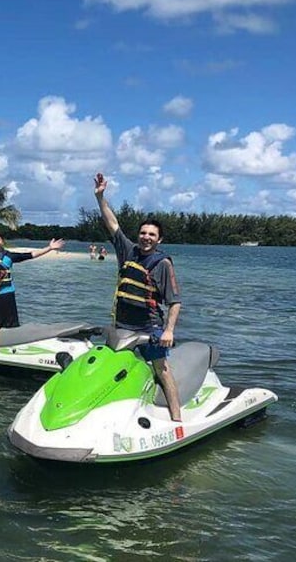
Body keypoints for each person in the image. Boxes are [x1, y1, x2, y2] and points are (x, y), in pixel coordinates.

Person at [94, 172, 183, 422]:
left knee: (161, 369)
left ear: (159, 239)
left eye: (152, 235)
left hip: (149, 326)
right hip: (122, 325)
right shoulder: (128, 250)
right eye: (143, 233)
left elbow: (175, 301)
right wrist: (100, 197)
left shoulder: (162, 264)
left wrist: (168, 331)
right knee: (113, 366)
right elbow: (112, 224)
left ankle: (177, 418)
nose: (146, 237)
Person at [0, 231, 65, 353]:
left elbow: (30, 255)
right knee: (8, 323)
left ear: (2, 241)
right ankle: (9, 349)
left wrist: (49, 248)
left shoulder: (8, 256)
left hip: (6, 294)